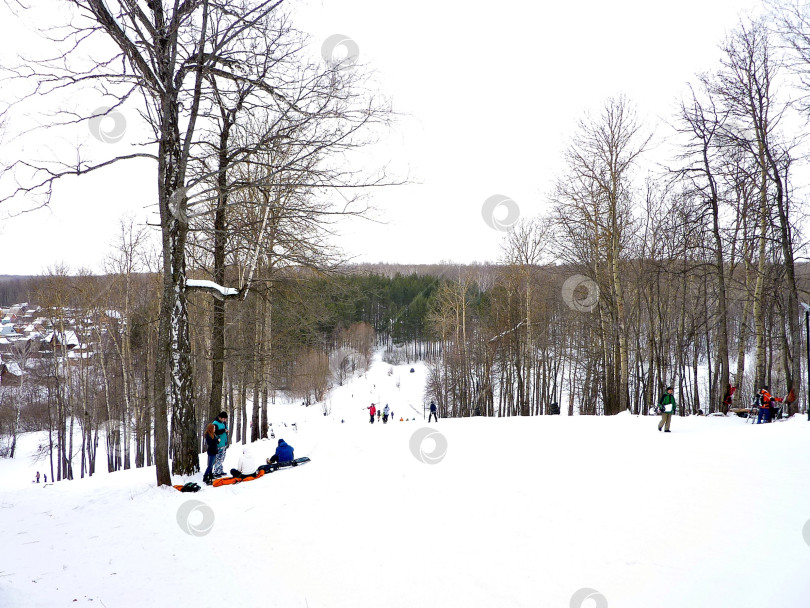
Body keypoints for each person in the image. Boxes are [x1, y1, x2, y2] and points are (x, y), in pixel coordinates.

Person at [212, 411, 229, 477]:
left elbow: (225, 428)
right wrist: (223, 430)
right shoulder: (215, 423)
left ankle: (220, 470)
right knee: (219, 458)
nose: (225, 420)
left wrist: (226, 430)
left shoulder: (223, 423)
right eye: (224, 419)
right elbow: (215, 432)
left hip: (224, 442)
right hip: (219, 444)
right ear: (220, 417)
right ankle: (216, 472)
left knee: (222, 458)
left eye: (225, 419)